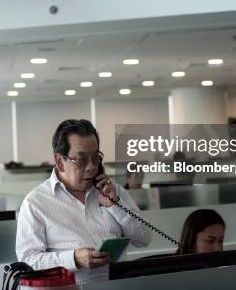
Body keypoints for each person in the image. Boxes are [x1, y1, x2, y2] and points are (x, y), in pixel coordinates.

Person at [16, 119, 151, 283]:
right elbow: (29, 261)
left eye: (96, 157)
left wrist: (115, 206)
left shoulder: (111, 190)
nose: (91, 167)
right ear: (60, 161)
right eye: (81, 159)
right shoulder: (35, 203)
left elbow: (144, 239)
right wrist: (73, 259)